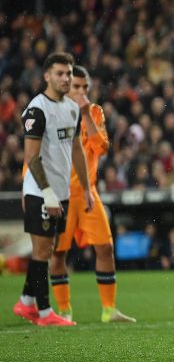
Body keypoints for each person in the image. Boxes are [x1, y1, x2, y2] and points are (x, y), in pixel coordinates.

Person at [48, 66, 135, 323]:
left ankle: (109, 309)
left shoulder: (94, 111)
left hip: (88, 192)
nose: (82, 91)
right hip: (61, 194)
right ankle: (64, 309)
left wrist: (85, 112)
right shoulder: (51, 111)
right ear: (65, 85)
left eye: (85, 87)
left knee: (106, 247)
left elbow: (103, 147)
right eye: (77, 87)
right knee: (59, 253)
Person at [13, 52, 93, 326]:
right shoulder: (37, 109)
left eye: (68, 73)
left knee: (50, 248)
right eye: (59, 73)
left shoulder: (71, 108)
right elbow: (31, 158)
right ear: (46, 76)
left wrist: (87, 189)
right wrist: (46, 194)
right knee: (42, 250)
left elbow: (76, 149)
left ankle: (25, 303)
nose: (65, 78)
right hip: (40, 191)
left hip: (62, 192)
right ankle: (45, 313)